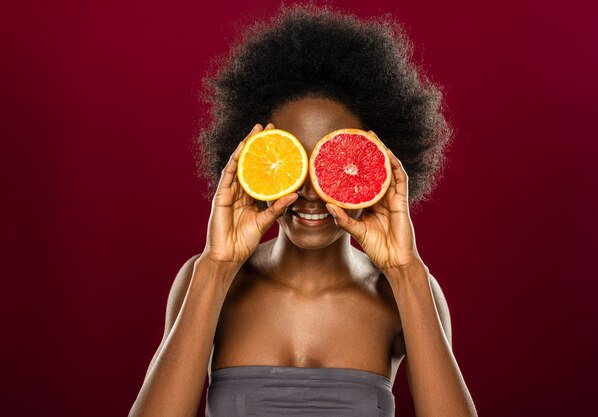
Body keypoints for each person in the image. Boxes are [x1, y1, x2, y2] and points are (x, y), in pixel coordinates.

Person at [130, 3, 478, 417]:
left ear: (375, 166)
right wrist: (217, 266)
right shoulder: (203, 278)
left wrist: (405, 272)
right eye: (292, 164)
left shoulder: (404, 290)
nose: (310, 194)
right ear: (255, 164)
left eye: (330, 167)